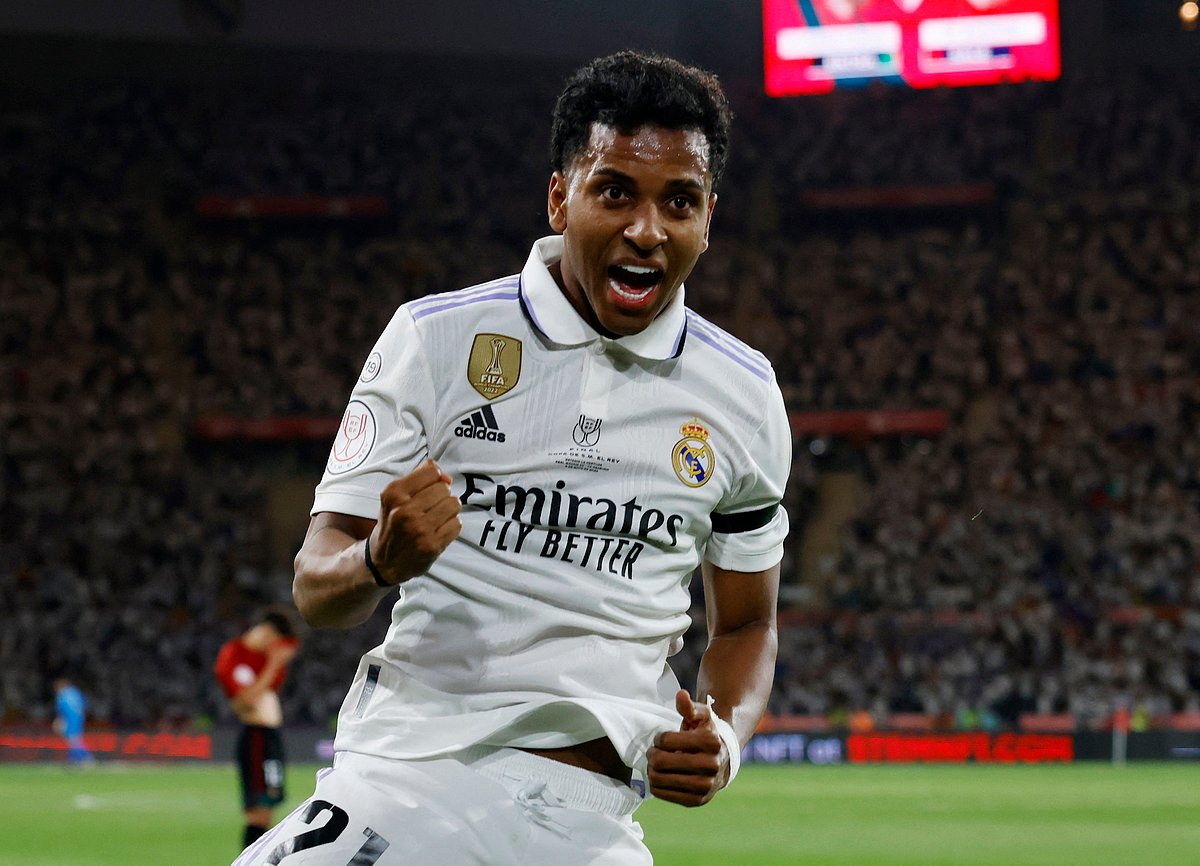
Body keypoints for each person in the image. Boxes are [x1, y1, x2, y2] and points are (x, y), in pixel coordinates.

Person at [234, 50, 790, 865]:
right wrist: (379, 562)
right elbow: (317, 589)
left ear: (709, 217)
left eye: (680, 201)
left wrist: (726, 738)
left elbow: (747, 621)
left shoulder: (742, 392)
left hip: (593, 819)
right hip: (409, 775)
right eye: (616, 192)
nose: (647, 229)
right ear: (561, 197)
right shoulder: (438, 339)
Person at [215, 607, 301, 851]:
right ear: (265, 631)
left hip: (269, 737)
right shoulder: (234, 654)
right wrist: (273, 665)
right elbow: (246, 700)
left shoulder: (264, 657)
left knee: (268, 806)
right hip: (256, 738)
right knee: (257, 810)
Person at [53, 677, 93, 766]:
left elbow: (61, 709)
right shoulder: (76, 692)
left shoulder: (62, 695)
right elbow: (86, 703)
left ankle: (82, 758)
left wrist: (59, 720)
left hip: (69, 720)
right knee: (76, 739)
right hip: (79, 718)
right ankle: (79, 759)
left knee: (73, 740)